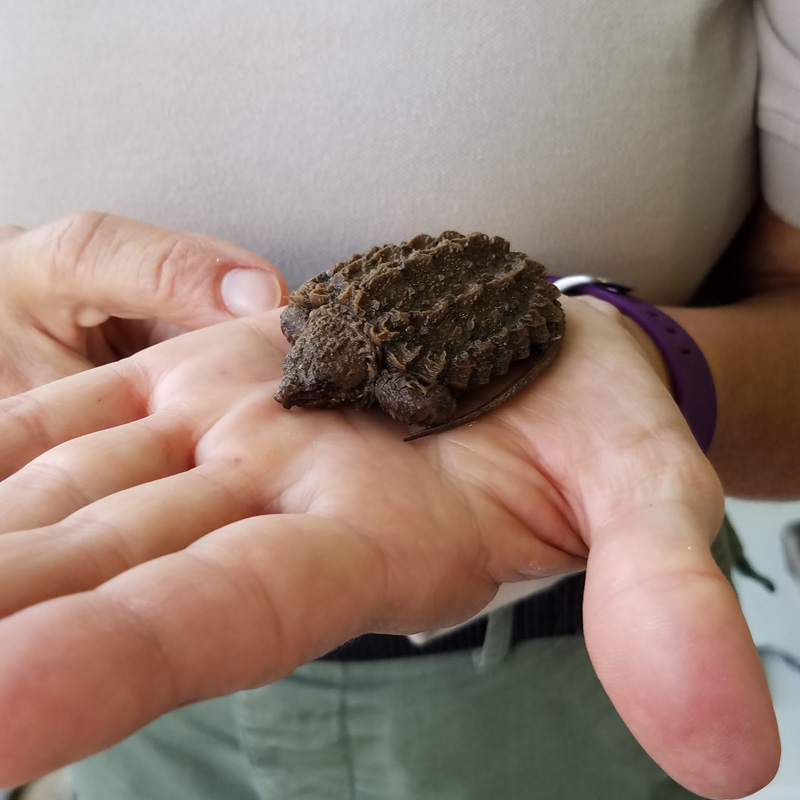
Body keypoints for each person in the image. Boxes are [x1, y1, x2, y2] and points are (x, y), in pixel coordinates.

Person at [0, 2, 798, 798]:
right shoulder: (316, 322)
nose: (293, 391)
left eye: (315, 384)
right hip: (141, 657)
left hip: (551, 672)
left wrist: (656, 355)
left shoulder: (393, 376)